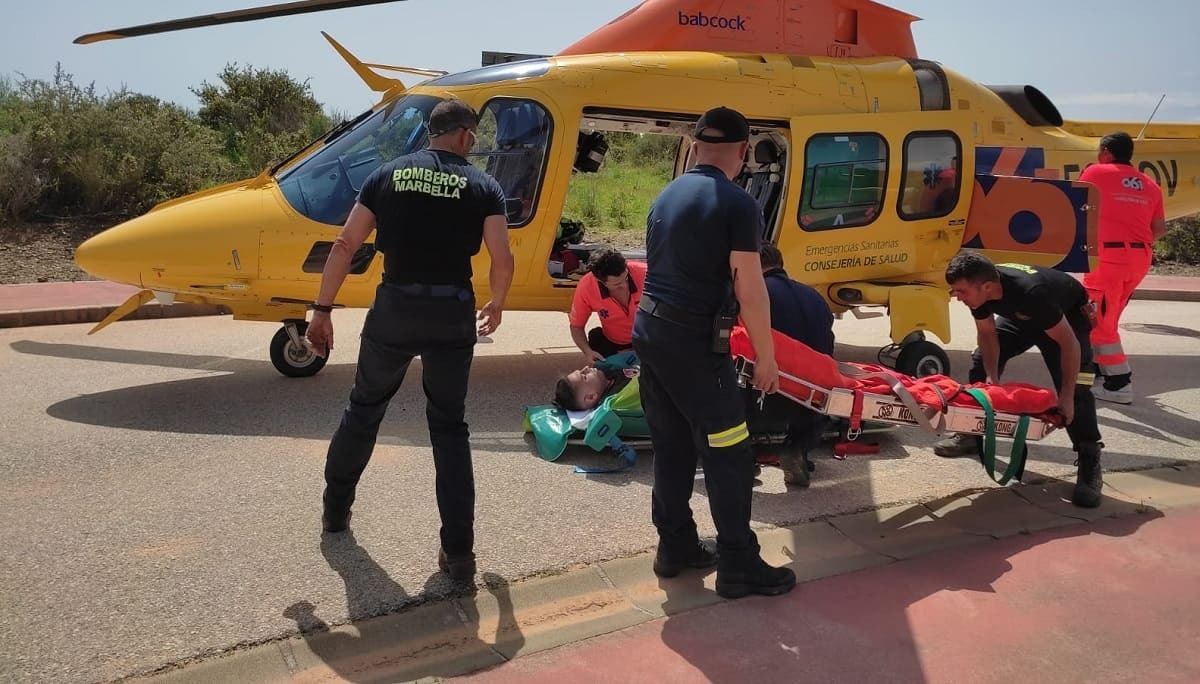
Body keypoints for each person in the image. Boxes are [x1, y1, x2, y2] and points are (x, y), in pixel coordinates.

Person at [305, 99, 516, 585]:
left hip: (395, 308)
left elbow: (345, 244)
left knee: (364, 409)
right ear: (463, 135)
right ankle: (459, 553)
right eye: (473, 135)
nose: (474, 142)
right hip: (451, 313)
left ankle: (336, 512)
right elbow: (501, 256)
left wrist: (322, 309)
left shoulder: (386, 175)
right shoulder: (484, 186)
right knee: (449, 428)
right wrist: (498, 302)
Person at [633, 105, 795, 599]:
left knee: (673, 445)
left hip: (651, 332)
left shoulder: (667, 194)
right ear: (744, 152)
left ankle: (675, 546)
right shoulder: (738, 204)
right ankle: (738, 562)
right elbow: (751, 288)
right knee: (729, 451)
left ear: (695, 145)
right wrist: (766, 357)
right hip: (693, 344)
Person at [935, 252, 1103, 508]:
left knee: (1077, 385)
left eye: (961, 291)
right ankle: (971, 434)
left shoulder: (1032, 292)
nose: (957, 297)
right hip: (1024, 315)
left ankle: (1089, 458)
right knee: (980, 362)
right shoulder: (979, 291)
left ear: (986, 287)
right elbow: (987, 333)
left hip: (1065, 317)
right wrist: (991, 378)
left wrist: (1066, 397)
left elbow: (1069, 344)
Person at [1080, 132, 1167, 404]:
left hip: (1108, 258)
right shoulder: (1150, 185)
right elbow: (1159, 229)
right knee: (1109, 317)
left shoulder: (1096, 172)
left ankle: (1119, 383)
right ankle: (1096, 371)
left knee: (1097, 320)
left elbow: (1072, 205)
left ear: (1106, 151)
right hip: (1139, 259)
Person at [746, 243, 836, 487]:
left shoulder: (753, 297)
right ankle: (796, 449)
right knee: (817, 405)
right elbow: (828, 347)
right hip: (811, 401)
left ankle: (742, 462)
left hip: (764, 397)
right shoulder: (814, 297)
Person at [568, 248, 647, 363]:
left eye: (626, 278)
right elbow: (576, 326)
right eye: (617, 284)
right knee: (596, 339)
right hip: (614, 343)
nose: (625, 285)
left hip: (649, 340)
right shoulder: (586, 286)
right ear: (600, 281)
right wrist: (587, 351)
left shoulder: (646, 273)